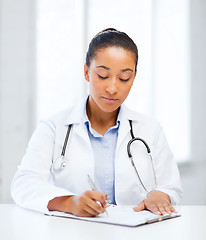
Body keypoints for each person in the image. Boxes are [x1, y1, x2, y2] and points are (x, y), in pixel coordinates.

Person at [11, 28, 183, 217]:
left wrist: (161, 195)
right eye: (102, 75)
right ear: (86, 72)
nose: (112, 88)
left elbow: (171, 186)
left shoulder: (150, 129)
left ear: (133, 77)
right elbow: (24, 184)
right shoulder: (53, 128)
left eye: (124, 78)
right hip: (73, 232)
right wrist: (69, 202)